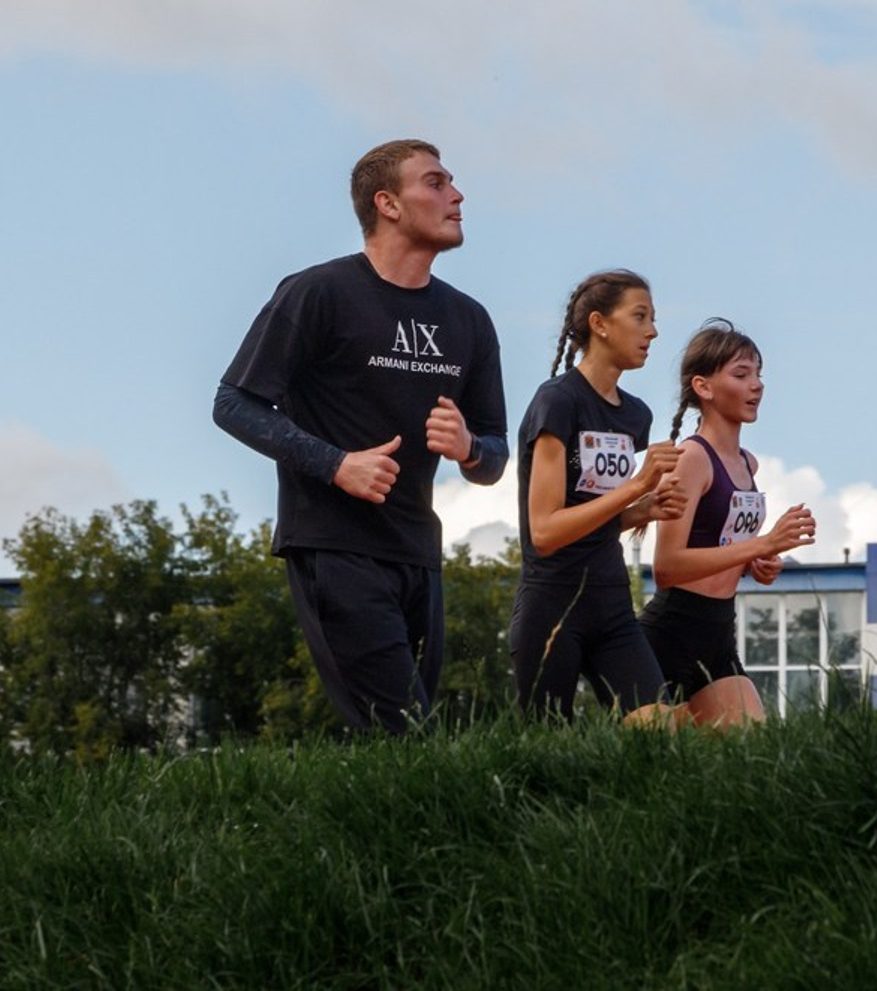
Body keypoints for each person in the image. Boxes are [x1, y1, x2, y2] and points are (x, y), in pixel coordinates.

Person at [212, 139, 508, 733]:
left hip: (419, 551)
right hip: (334, 544)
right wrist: (335, 464)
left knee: (397, 742)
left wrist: (469, 447)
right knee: (405, 731)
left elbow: (496, 454)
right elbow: (235, 403)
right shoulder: (318, 292)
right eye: (436, 182)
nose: (457, 195)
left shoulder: (469, 319)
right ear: (388, 203)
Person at [509, 269, 687, 724]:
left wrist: (640, 511)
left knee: (661, 730)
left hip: (610, 603)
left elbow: (592, 516)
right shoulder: (558, 401)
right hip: (552, 604)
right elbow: (546, 531)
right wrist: (636, 487)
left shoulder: (635, 416)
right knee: (544, 754)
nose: (653, 331)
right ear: (599, 324)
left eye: (654, 319)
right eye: (640, 316)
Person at [640, 319, 815, 726]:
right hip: (669, 635)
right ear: (703, 387)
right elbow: (666, 567)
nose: (757, 385)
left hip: (719, 634)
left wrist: (755, 565)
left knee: (751, 763)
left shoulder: (748, 464)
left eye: (759, 374)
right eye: (741, 374)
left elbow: (721, 546)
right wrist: (762, 545)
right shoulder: (692, 459)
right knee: (654, 768)